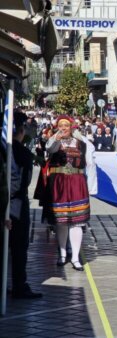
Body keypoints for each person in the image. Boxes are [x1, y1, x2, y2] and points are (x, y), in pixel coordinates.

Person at [36, 115, 97, 272]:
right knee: (61, 220)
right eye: (60, 125)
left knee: (76, 221)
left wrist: (91, 187)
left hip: (76, 182)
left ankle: (75, 257)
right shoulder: (55, 141)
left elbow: (90, 164)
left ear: (72, 127)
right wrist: (57, 135)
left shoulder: (82, 144)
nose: (63, 128)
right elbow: (50, 148)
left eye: (66, 125)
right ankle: (62, 253)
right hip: (59, 183)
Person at [3, 112, 43, 298]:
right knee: (18, 247)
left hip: (10, 202)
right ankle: (19, 285)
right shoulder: (21, 153)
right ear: (20, 130)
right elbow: (22, 182)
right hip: (16, 205)